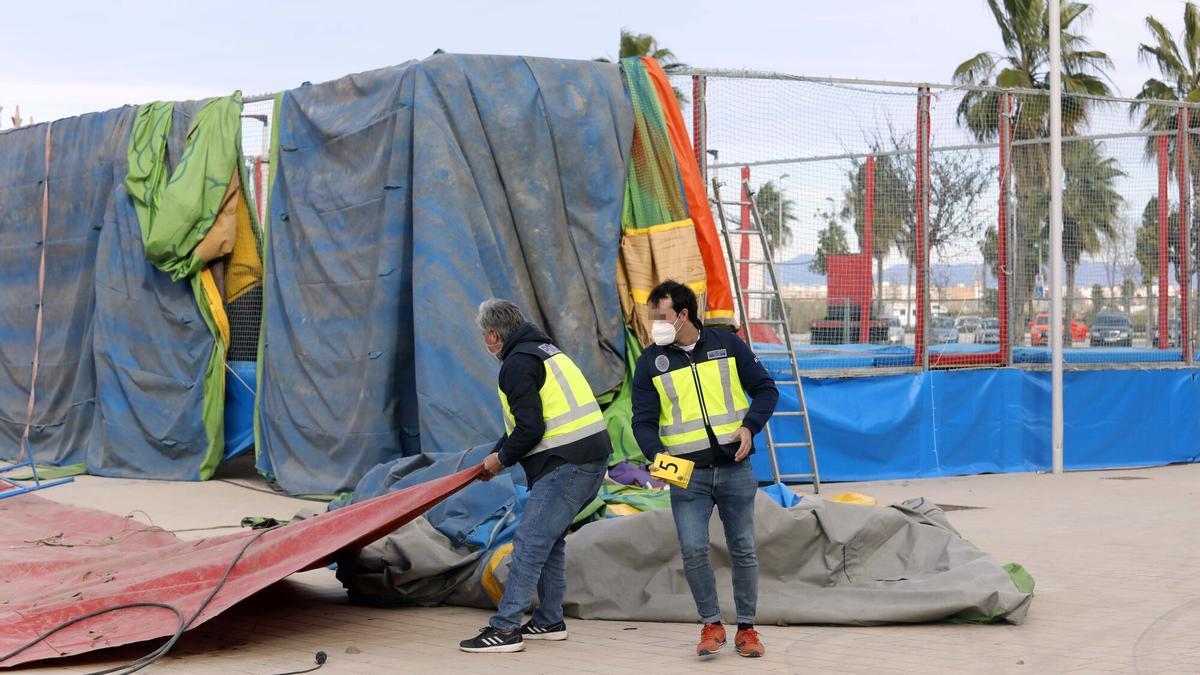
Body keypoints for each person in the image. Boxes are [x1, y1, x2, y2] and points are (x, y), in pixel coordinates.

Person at [631, 280, 778, 658]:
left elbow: (766, 389)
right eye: (652, 319)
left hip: (735, 468)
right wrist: (655, 454)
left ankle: (747, 629)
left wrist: (750, 427)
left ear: (683, 315)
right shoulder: (650, 362)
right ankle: (711, 624)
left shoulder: (727, 344)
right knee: (694, 549)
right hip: (686, 476)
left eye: (661, 317)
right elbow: (643, 422)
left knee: (743, 548)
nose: (655, 326)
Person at [459, 298, 612, 653]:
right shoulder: (544, 352)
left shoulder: (516, 364)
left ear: (495, 336)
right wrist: (494, 456)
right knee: (550, 538)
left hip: (568, 464)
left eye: (485, 337)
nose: (486, 344)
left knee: (529, 541)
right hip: (588, 458)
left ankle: (506, 628)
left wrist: (501, 461)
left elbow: (530, 429)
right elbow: (522, 424)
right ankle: (549, 621)